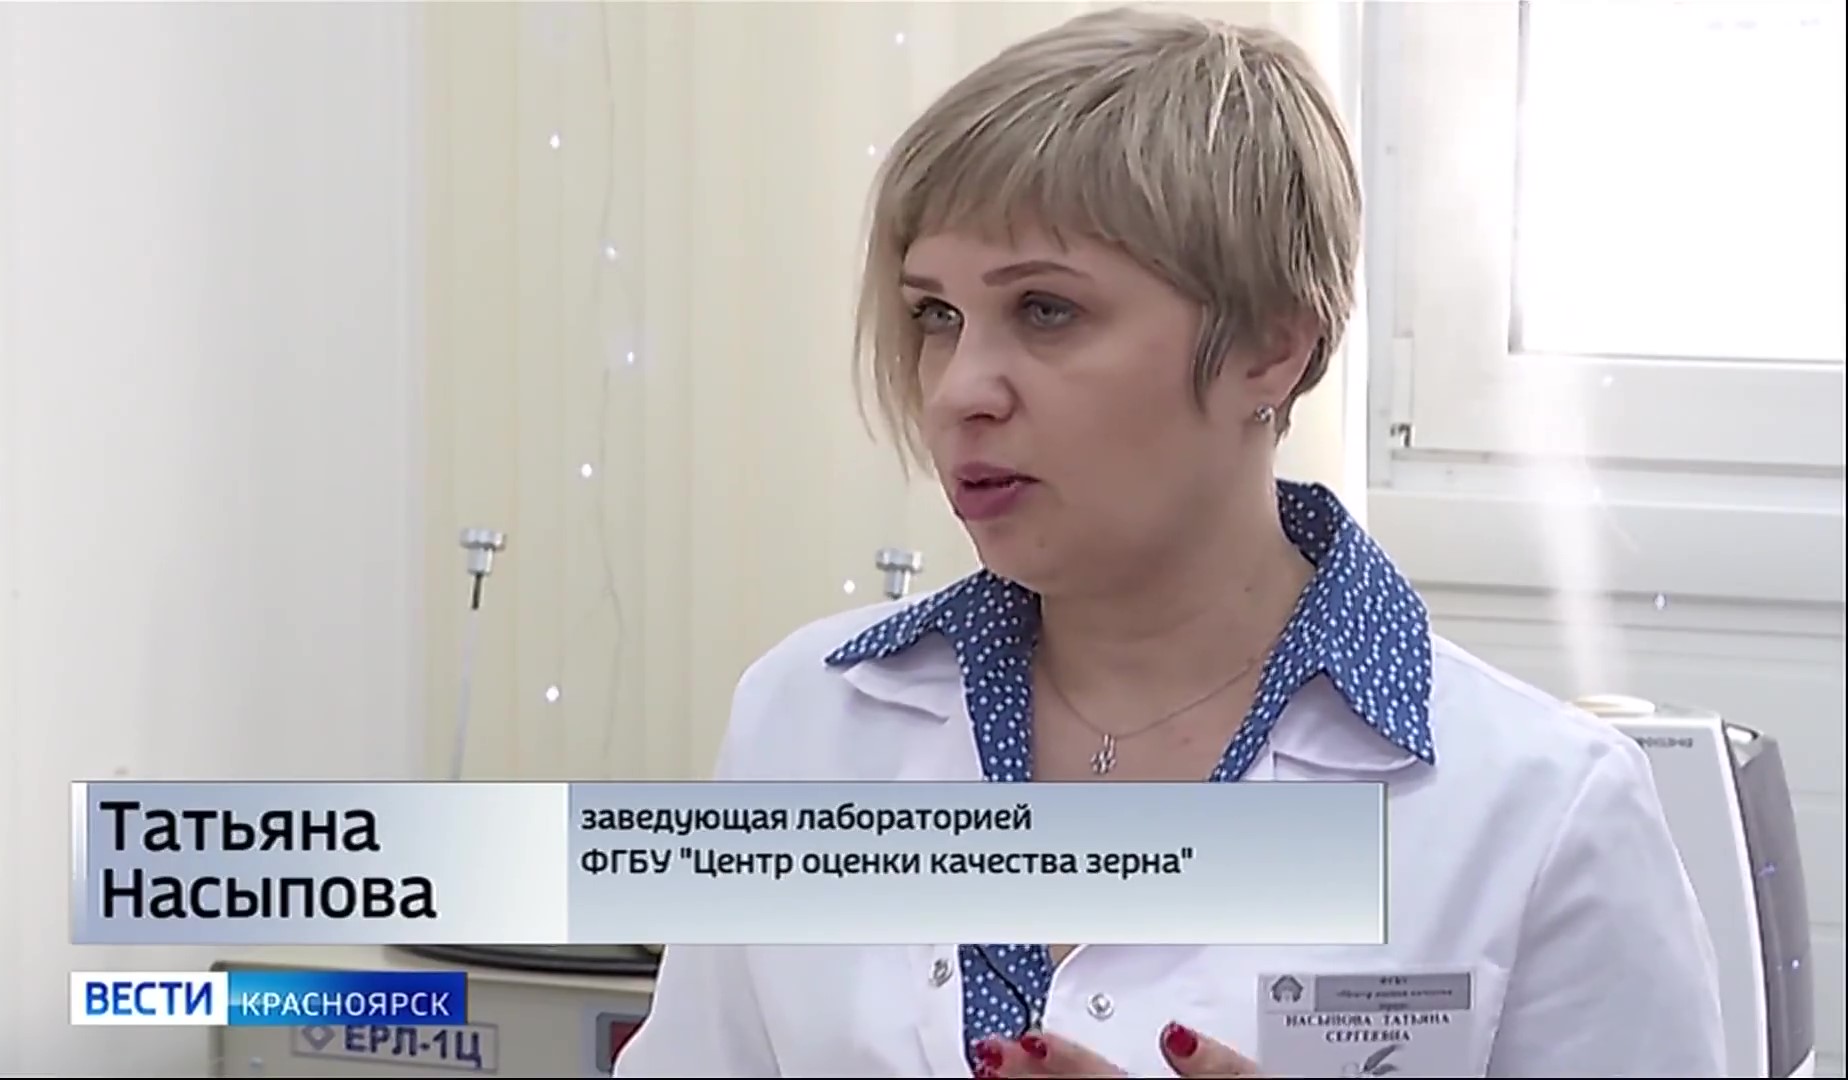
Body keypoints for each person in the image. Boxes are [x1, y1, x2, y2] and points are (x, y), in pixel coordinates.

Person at [614, 7, 1726, 1078]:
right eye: (934, 316)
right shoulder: (807, 719)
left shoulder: (1538, 810)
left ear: (1271, 349)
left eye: (1045, 310)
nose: (957, 390)